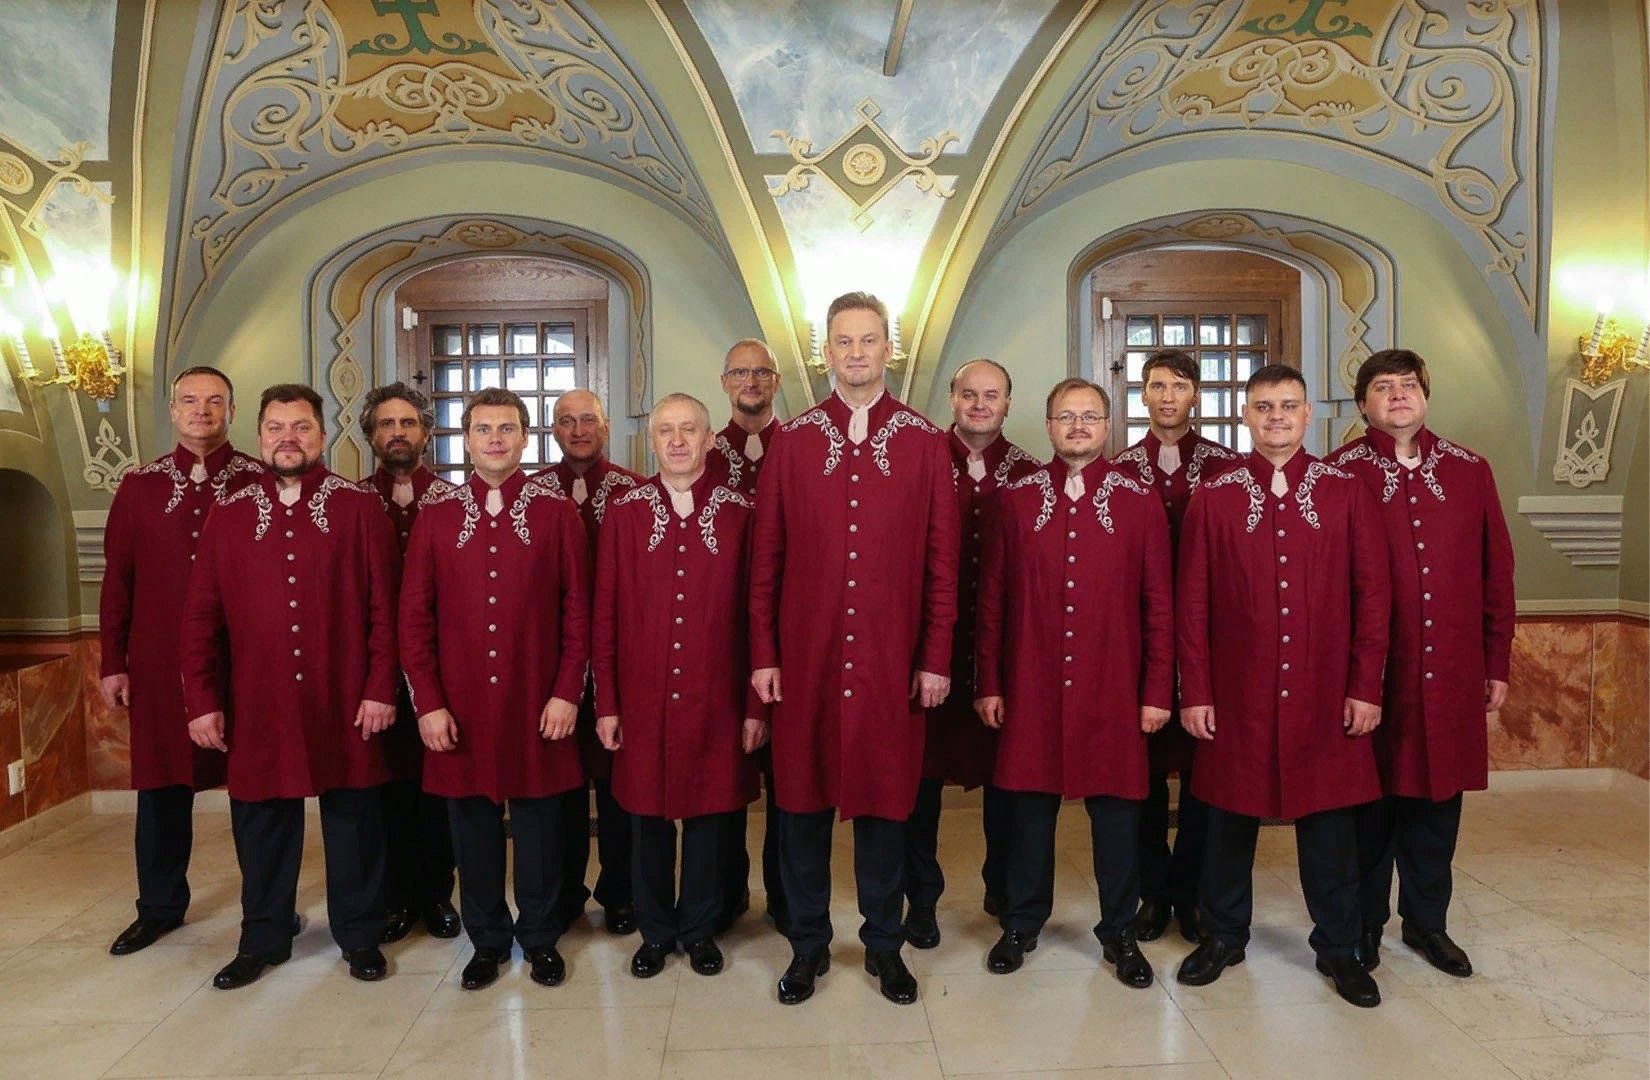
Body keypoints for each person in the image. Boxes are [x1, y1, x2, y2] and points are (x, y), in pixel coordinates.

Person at [749, 291, 959, 1006]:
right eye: (844, 341)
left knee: (885, 810)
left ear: (888, 349)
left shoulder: (925, 443)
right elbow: (766, 561)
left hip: (890, 662)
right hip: (805, 660)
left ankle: (884, 946)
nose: (857, 352)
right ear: (826, 353)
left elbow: (941, 564)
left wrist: (935, 657)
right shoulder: (794, 441)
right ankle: (807, 946)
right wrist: (764, 654)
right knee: (801, 809)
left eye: (869, 340)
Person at [1174, 364, 1391, 1008]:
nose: (1276, 417)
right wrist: (1196, 691)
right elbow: (1192, 603)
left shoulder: (1346, 491)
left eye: (1288, 406)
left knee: (1330, 830)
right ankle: (1222, 936)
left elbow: (1373, 597)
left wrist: (1365, 687)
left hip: (1325, 694)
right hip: (1235, 695)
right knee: (1227, 824)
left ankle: (1339, 947)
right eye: (1264, 406)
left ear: (1307, 415)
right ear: (1246, 415)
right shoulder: (1214, 494)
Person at [181, 383, 398, 990]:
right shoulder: (230, 513)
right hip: (259, 701)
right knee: (261, 825)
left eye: (301, 427)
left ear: (322, 436)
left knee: (354, 823)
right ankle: (263, 938)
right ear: (259, 436)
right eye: (276, 428)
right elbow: (200, 617)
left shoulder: (358, 508)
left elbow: (385, 609)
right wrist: (202, 700)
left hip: (345, 695)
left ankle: (360, 935)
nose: (288, 439)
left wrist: (381, 687)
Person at [974, 378, 1172, 986]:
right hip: (1031, 684)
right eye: (1066, 416)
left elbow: (1159, 606)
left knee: (1117, 821)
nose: (1078, 426)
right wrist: (989, 682)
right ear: (1049, 426)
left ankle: (1119, 934)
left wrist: (1156, 692)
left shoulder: (1139, 500)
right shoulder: (1015, 499)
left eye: (1090, 416)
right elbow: (992, 602)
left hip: (1114, 688)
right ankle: (1021, 923)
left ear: (1107, 426)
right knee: (1028, 815)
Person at [1327, 350, 1515, 979]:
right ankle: (1363, 926)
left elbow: (1497, 572)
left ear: (1425, 396)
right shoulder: (1337, 474)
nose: (1399, 395)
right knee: (1369, 809)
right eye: (1383, 387)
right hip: (1370, 677)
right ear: (1363, 404)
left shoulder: (1470, 470)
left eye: (1409, 385)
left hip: (1452, 671)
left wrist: (1495, 661)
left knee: (1438, 806)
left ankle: (1427, 923)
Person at [399, 388, 590, 991]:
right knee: (472, 831)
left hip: (537, 700)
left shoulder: (557, 514)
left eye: (507, 429)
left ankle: (540, 937)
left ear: (525, 438)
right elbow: (414, 621)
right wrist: (428, 703)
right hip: (459, 706)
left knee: (540, 830)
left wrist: (567, 692)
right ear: (466, 440)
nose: (496, 440)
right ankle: (485, 940)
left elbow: (578, 613)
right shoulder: (436, 517)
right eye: (483, 430)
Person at [594, 393, 767, 979]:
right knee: (645, 819)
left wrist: (755, 706)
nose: (676, 441)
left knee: (710, 819)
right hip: (641, 698)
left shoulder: (741, 512)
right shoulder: (625, 512)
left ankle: (699, 929)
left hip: (718, 697)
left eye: (688, 429)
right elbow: (605, 614)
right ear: (652, 441)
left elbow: (758, 617)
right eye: (665, 430)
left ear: (709, 439)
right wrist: (607, 703)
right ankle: (654, 932)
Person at [101, 366, 260, 956]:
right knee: (162, 791)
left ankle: (266, 908)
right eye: (190, 401)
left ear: (231, 411)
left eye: (215, 401)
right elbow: (117, 581)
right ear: (173, 411)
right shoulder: (139, 487)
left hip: (244, 664)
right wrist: (112, 662)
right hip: (160, 665)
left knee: (257, 793)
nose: (202, 410)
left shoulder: (258, 481)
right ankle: (159, 908)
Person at [904, 357, 1039, 949]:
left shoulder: (1031, 474)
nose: (980, 404)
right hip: (929, 647)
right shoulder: (921, 461)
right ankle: (920, 899)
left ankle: (1005, 890)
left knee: (1008, 781)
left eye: (992, 394)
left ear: (1008, 403)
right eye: (969, 394)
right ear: (952, 399)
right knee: (921, 782)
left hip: (1004, 654)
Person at [1111, 349, 1240, 943]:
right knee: (1140, 776)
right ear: (1142, 394)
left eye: (1179, 386)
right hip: (1136, 643)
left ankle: (1190, 893)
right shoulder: (1119, 469)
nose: (1168, 396)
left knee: (1200, 776)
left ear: (1195, 395)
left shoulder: (1226, 468)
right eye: (1157, 386)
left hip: (1209, 640)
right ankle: (1152, 892)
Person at [360, 382, 460, 944]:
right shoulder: (351, 502)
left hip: (439, 669)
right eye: (386, 424)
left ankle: (438, 895)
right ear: (371, 435)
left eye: (407, 423)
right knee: (383, 792)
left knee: (436, 789)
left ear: (426, 432)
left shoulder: (452, 502)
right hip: (372, 673)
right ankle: (394, 897)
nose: (397, 433)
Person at [546, 388, 641, 936]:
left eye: (588, 420)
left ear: (605, 426)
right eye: (566, 421)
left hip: (617, 663)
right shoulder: (534, 493)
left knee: (616, 785)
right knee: (559, 787)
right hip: (554, 665)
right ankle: (563, 893)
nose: (578, 430)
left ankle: (621, 892)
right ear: (553, 431)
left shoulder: (634, 492)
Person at [706, 338, 787, 936]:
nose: (751, 382)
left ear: (776, 380)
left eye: (761, 372)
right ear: (725, 382)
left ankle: (785, 896)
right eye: (740, 373)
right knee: (725, 770)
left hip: (788, 631)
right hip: (717, 636)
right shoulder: (702, 450)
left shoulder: (803, 445)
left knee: (787, 775)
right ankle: (726, 892)